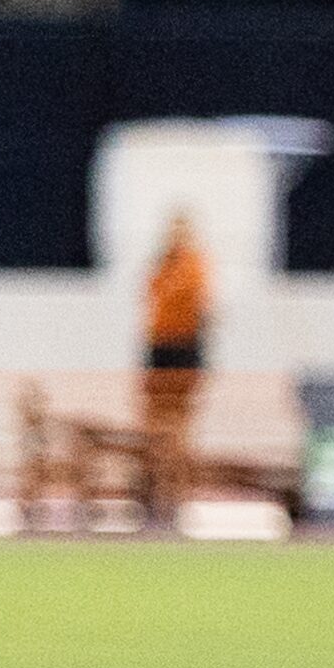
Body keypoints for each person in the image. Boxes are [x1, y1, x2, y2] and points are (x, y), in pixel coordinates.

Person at [141, 211, 211, 521]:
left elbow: (189, 298)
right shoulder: (162, 262)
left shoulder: (194, 263)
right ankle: (156, 487)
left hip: (183, 346)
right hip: (160, 346)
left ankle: (178, 490)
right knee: (155, 421)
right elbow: (152, 295)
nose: (175, 236)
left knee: (180, 423)